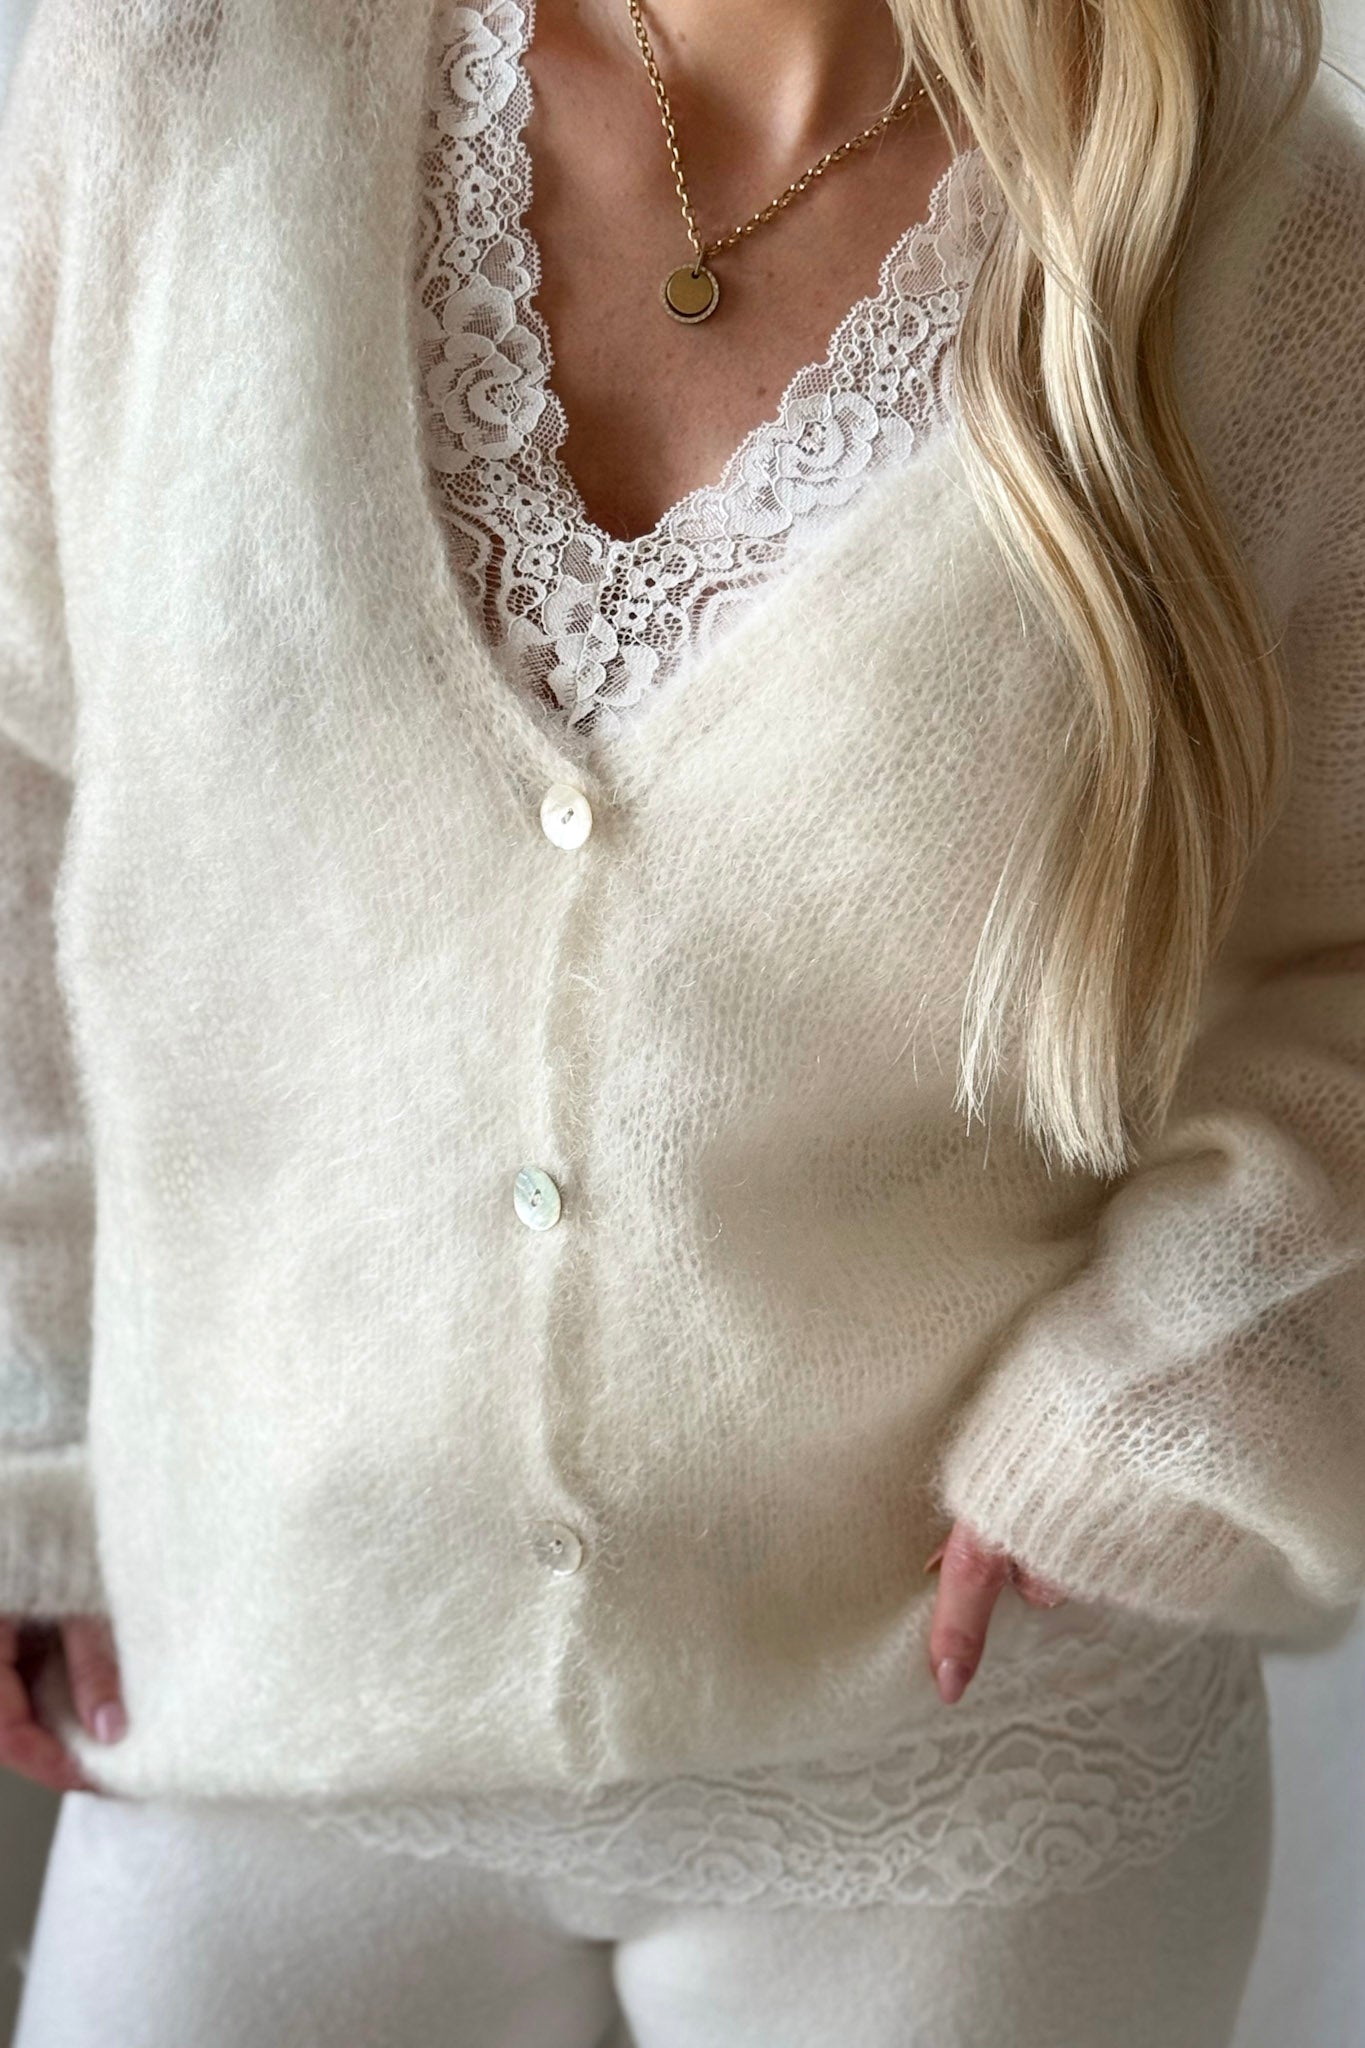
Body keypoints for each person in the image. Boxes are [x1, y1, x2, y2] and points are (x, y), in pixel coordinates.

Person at [0, 0, 1362, 2040]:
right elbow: (24, 787)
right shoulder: (188, 77)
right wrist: (29, 1423)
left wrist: (1171, 1390)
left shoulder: (1254, 238)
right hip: (254, 1680)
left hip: (961, 1753)